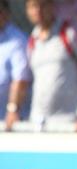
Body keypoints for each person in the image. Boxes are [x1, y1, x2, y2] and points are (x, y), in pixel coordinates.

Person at [26, 0, 77, 130]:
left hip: (70, 120)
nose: (38, 11)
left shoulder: (69, 31)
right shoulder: (32, 40)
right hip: (39, 120)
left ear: (52, 7)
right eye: (33, 6)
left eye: (43, 5)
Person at [0, 0, 31, 131]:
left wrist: (12, 109)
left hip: (9, 122)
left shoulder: (17, 40)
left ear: (6, 14)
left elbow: (20, 79)